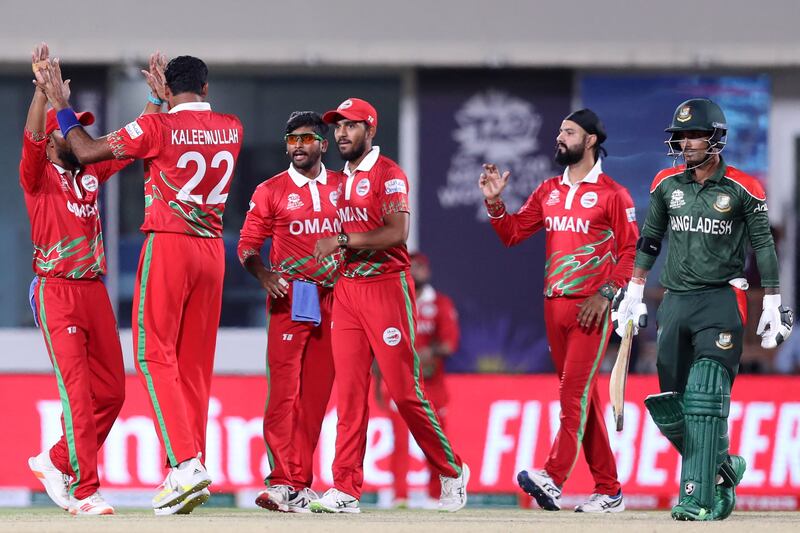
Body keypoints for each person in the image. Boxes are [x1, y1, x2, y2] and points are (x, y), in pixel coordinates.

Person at [34, 52, 244, 515]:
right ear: (205, 89)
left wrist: (62, 107)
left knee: (152, 353)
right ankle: (190, 467)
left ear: (168, 91)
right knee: (194, 365)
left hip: (170, 246)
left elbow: (88, 151)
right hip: (213, 251)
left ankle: (184, 464)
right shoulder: (232, 127)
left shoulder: (158, 130)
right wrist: (156, 99)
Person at [614, 97, 793, 521]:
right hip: (675, 301)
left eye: (695, 134)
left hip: (721, 299)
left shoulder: (744, 187)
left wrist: (772, 299)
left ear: (716, 138)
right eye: (681, 136)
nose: (687, 143)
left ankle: (697, 499)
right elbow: (651, 240)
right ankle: (722, 468)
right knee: (670, 404)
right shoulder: (665, 185)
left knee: (705, 395)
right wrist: (635, 290)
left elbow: (764, 245)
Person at [311, 97, 468, 513]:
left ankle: (452, 470)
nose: (341, 133)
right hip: (347, 291)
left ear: (371, 129)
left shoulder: (388, 174)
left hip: (386, 289)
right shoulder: (337, 179)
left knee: (404, 392)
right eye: (338, 126)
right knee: (349, 394)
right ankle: (345, 488)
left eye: (351, 125)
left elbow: (398, 233)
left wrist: (342, 241)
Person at [23, 43, 161, 516]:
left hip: (93, 290)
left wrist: (156, 104)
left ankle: (57, 461)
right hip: (56, 289)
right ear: (52, 139)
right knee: (78, 392)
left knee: (114, 391)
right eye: (68, 129)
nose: (75, 131)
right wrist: (43, 94)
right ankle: (84, 491)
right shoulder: (37, 177)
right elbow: (30, 138)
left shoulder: (90, 172)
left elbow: (128, 143)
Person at [479, 109, 638, 513]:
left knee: (572, 395)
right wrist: (495, 203)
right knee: (583, 401)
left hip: (591, 310)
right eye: (559, 130)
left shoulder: (613, 194)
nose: (559, 137)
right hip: (554, 307)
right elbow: (513, 234)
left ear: (590, 141)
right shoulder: (548, 189)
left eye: (568, 132)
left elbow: (630, 250)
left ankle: (552, 477)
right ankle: (609, 489)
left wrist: (606, 294)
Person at [237, 111, 340, 513]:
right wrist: (262, 274)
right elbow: (247, 246)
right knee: (284, 395)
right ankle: (280, 481)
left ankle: (301, 482)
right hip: (293, 296)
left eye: (307, 139)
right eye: (292, 139)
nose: (298, 145)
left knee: (315, 397)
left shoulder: (343, 186)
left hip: (336, 298)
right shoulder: (271, 190)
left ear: (323, 145)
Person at [375, 252, 460, 508]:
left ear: (428, 271)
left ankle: (437, 494)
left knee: (435, 440)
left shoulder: (440, 303)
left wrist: (428, 353)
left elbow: (449, 343)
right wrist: (379, 381)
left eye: (420, 267)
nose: (415, 272)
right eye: (411, 267)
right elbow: (380, 343)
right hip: (400, 382)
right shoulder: (394, 303)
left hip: (432, 385)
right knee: (399, 440)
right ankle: (399, 495)